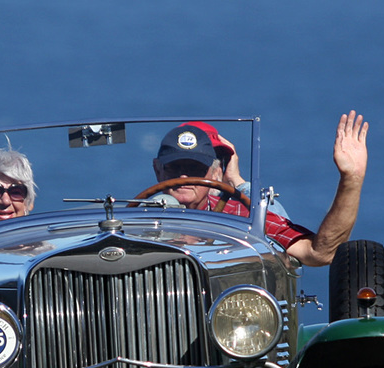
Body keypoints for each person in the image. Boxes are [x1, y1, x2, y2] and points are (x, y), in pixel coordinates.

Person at [148, 112, 369, 267]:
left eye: (196, 168)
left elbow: (319, 253)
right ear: (158, 170)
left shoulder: (243, 215)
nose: (184, 176)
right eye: (174, 168)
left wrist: (351, 179)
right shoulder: (137, 218)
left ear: (216, 172)